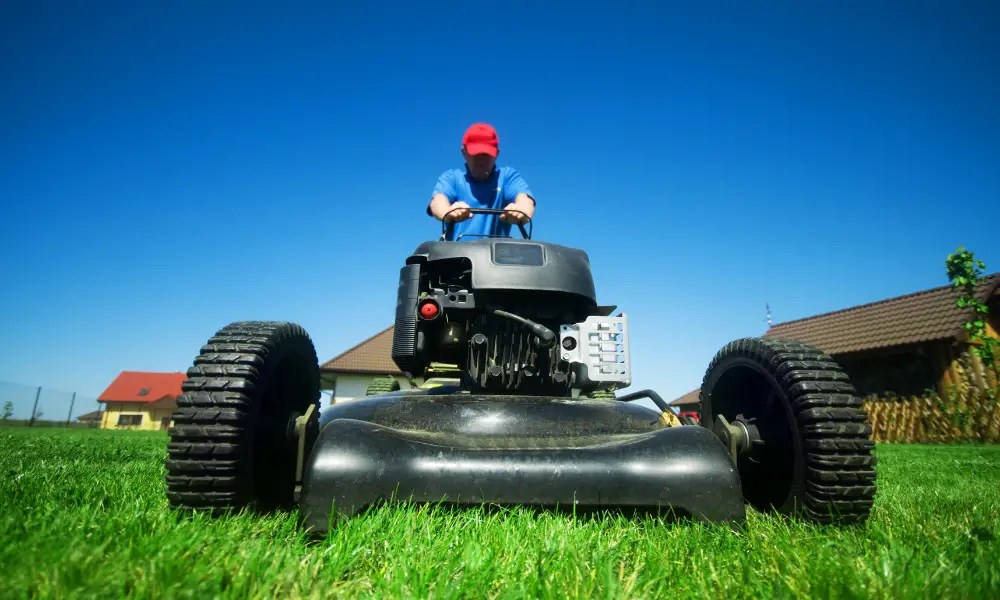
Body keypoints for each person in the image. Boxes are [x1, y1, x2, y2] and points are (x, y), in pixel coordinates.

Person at [427, 123, 536, 240]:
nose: (481, 160)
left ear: (496, 154)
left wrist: (521, 211)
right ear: (464, 152)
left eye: (486, 154)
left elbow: (525, 201)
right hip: (456, 256)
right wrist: (448, 212)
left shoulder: (507, 177)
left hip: (496, 256)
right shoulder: (452, 178)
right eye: (476, 154)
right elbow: (437, 202)